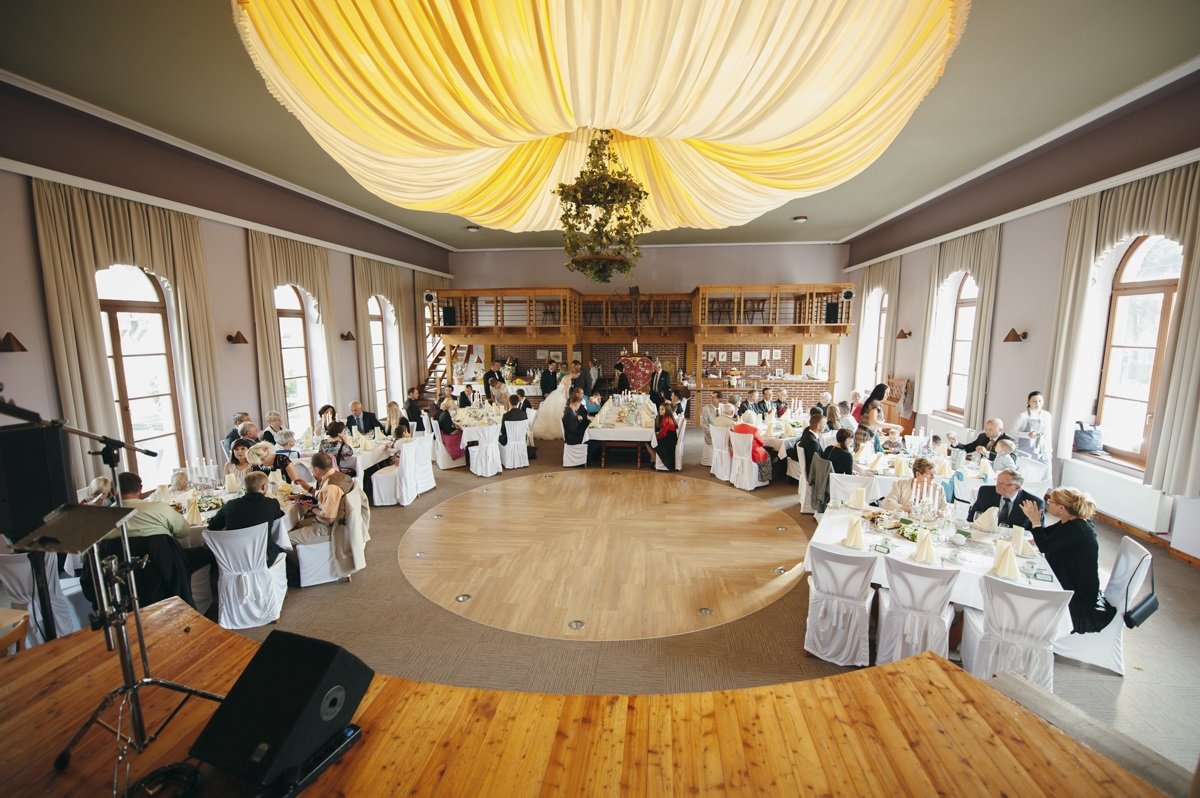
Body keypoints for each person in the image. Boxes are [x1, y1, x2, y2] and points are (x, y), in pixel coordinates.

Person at [1020, 488, 1116, 634]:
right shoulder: (1069, 522)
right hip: (1070, 578)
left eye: (1050, 501)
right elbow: (1045, 536)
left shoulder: (1077, 529)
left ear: (1061, 508)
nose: (1047, 503)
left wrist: (1035, 521)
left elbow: (1045, 546)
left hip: (1077, 596)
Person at [206, 471, 285, 567]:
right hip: (263, 557)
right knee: (280, 547)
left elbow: (213, 526)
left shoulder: (230, 505)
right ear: (264, 487)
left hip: (232, 560)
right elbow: (279, 517)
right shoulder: (271, 504)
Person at [288, 451, 356, 546]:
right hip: (333, 521)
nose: (312, 472)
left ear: (316, 469)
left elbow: (329, 518)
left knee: (285, 539)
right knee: (296, 525)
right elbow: (325, 496)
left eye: (312, 470)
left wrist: (311, 508)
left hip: (328, 528)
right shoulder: (339, 476)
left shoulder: (331, 488)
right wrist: (307, 487)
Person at [969, 468, 1043, 530]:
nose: (997, 486)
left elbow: (1039, 532)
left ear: (1017, 487)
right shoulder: (985, 492)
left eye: (1003, 484)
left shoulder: (1033, 503)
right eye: (997, 482)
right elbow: (972, 517)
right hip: (984, 535)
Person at [1012, 390, 1054, 462]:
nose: (1037, 403)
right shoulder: (1023, 416)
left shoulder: (1047, 415)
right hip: (1026, 449)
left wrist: (1049, 450)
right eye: (1034, 401)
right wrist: (1027, 434)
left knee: (1046, 471)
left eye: (1040, 401)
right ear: (1028, 402)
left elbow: (1048, 434)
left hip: (1043, 450)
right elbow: (1012, 432)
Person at [731, 410, 771, 483]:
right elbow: (762, 443)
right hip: (752, 454)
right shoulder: (754, 429)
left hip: (738, 452)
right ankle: (763, 478)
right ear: (753, 419)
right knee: (768, 454)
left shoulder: (736, 427)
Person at [532, 367, 570, 440]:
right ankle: (560, 429)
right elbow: (566, 391)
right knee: (558, 411)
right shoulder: (568, 379)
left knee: (554, 411)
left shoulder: (565, 377)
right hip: (561, 395)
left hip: (556, 393)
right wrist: (567, 399)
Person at [562, 392, 598, 463]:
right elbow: (574, 430)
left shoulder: (571, 411)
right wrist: (585, 431)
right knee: (594, 442)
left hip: (573, 434)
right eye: (579, 404)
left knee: (594, 439)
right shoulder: (569, 414)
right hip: (572, 438)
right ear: (575, 404)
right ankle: (586, 460)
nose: (579, 406)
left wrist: (578, 420)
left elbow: (574, 426)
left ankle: (591, 457)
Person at [654, 403, 678, 470]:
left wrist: (656, 437)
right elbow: (664, 431)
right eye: (659, 409)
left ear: (667, 410)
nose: (660, 411)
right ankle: (656, 461)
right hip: (671, 438)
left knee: (650, 443)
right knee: (652, 441)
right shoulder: (668, 417)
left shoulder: (666, 419)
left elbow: (663, 434)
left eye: (662, 409)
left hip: (669, 441)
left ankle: (657, 462)